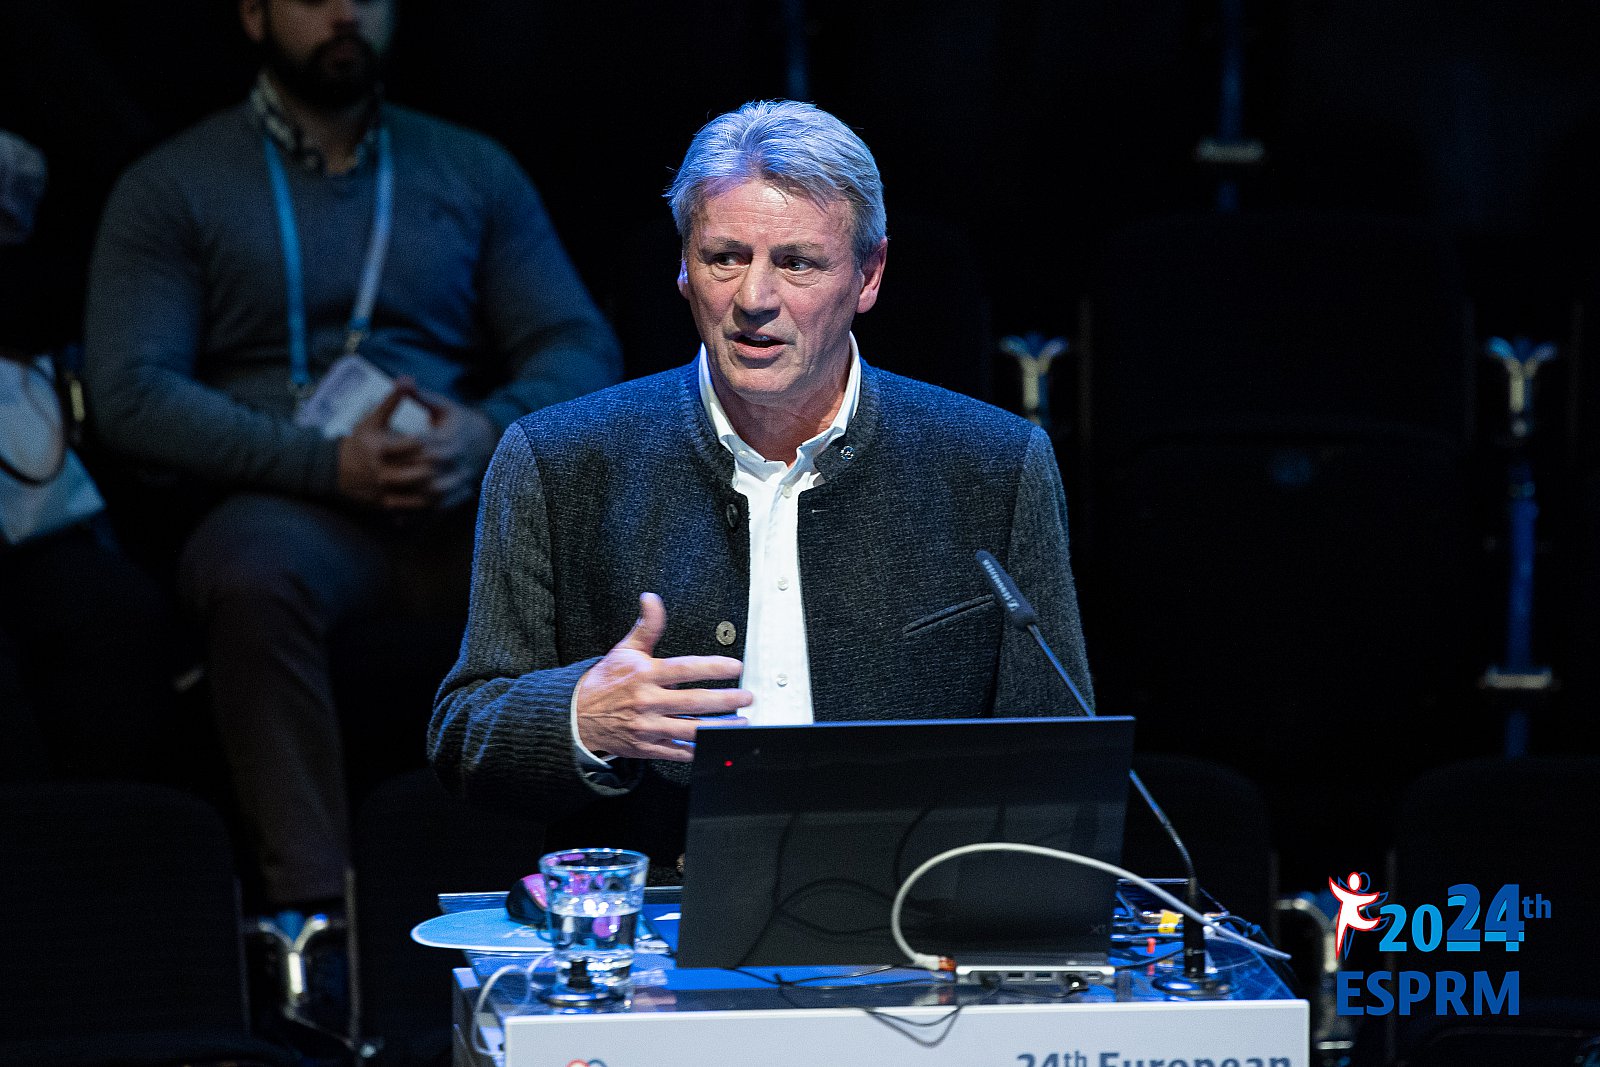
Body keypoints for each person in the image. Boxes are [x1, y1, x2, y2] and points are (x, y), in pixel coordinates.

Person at [429, 99, 1090, 865]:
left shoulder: (993, 464)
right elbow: (465, 735)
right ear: (684, 267)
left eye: (797, 263)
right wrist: (583, 716)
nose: (754, 299)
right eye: (725, 257)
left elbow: (1061, 762)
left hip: (910, 919)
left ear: (869, 274)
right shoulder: (558, 459)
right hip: (656, 920)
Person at [84, 0, 621, 922]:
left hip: (454, 498)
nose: (343, 12)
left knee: (605, 548)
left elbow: (578, 345)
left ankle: (575, 893)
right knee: (250, 575)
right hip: (289, 507)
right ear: (252, 15)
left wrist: (483, 432)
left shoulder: (468, 167)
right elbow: (131, 392)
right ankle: (317, 926)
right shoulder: (174, 182)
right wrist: (327, 463)